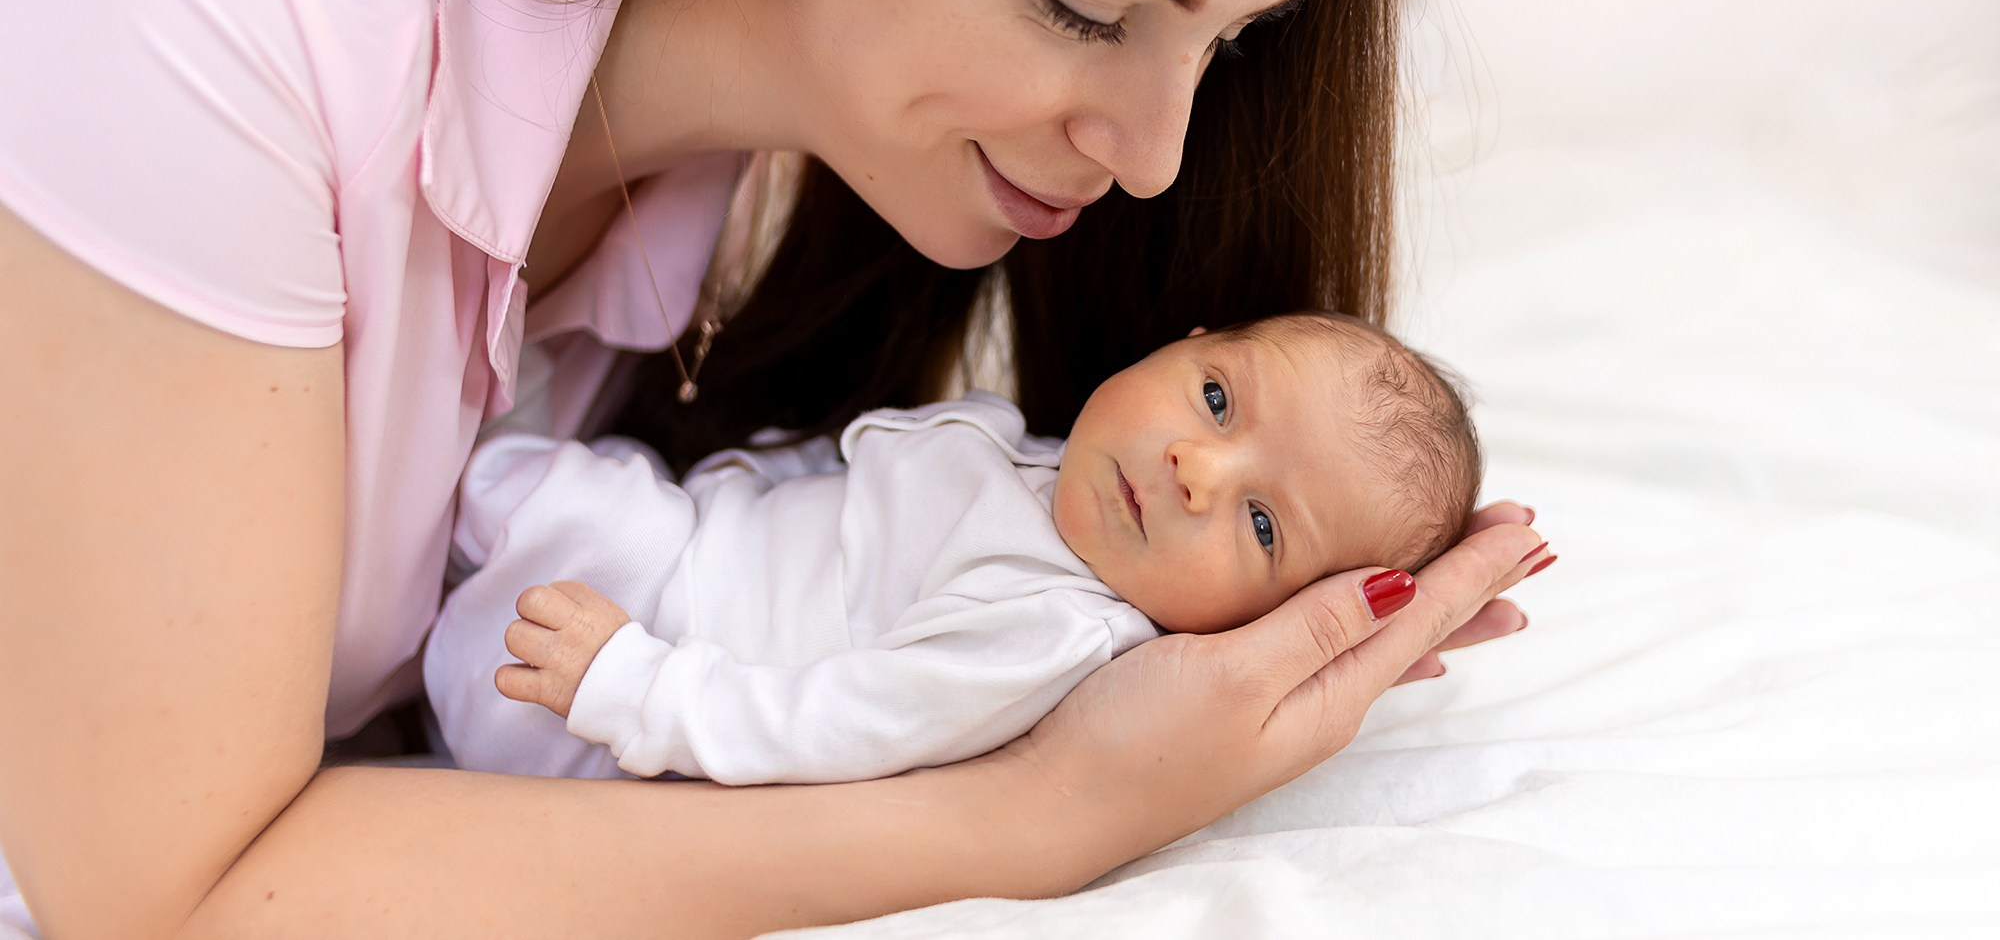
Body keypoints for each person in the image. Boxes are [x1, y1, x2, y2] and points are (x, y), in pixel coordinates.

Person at [0, 0, 1546, 935]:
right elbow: (161, 894)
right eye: (1085, 7)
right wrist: (1041, 813)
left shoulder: (757, 228)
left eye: (1229, 41)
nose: (1157, 154)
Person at [430, 311, 1521, 786]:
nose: (1198, 466)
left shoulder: (1048, 628)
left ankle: (403, 492)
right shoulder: (1044, 462)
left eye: (1263, 524)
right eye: (1217, 397)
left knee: (514, 472)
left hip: (621, 677)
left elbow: (845, 727)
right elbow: (849, 488)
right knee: (551, 450)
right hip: (661, 562)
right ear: (1184, 343)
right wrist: (742, 479)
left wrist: (639, 688)